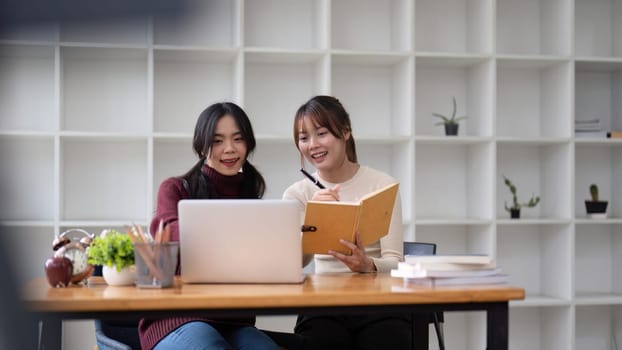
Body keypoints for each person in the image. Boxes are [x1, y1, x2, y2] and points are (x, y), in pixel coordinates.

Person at [139, 102, 279, 350]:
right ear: (201, 146)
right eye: (217, 141)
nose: (229, 149)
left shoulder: (251, 195)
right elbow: (171, 235)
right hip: (175, 319)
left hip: (234, 321)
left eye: (238, 139)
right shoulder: (175, 189)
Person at [283, 95, 411, 350]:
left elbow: (396, 261)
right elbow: (295, 264)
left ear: (345, 132)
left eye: (321, 133)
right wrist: (315, 218)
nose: (313, 145)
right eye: (304, 137)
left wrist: (368, 265)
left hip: (380, 304)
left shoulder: (381, 184)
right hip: (323, 305)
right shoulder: (297, 194)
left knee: (386, 339)